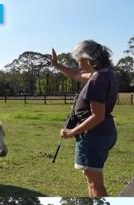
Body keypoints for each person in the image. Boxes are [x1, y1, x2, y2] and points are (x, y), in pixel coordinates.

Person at [51, 40, 118, 197]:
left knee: (95, 184)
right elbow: (76, 74)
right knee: (91, 177)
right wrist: (57, 65)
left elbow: (97, 116)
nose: (78, 63)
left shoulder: (97, 80)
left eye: (79, 59)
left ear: (88, 58)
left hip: (93, 135)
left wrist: (71, 132)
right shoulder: (105, 74)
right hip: (103, 132)